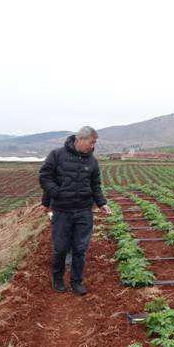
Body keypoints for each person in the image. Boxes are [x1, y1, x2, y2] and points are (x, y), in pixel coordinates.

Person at [39, 126, 111, 295]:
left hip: (84, 211)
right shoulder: (57, 155)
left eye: (94, 143)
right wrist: (56, 193)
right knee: (61, 248)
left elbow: (95, 185)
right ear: (80, 139)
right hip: (62, 211)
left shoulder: (92, 161)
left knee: (80, 249)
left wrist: (102, 203)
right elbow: (44, 176)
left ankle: (76, 282)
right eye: (91, 142)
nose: (93, 146)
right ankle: (57, 279)